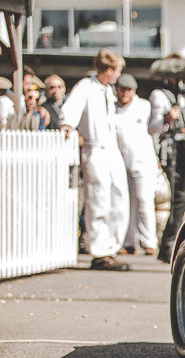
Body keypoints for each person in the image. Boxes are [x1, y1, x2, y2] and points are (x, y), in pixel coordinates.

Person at [60, 49, 131, 271]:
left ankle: (111, 245)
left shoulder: (108, 91)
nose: (118, 75)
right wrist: (68, 125)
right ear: (109, 70)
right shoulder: (86, 86)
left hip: (111, 148)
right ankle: (100, 250)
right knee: (99, 199)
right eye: (117, 70)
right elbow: (71, 109)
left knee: (119, 197)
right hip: (95, 147)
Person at [150, 55, 185, 263]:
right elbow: (152, 127)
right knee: (179, 197)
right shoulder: (159, 95)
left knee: (183, 197)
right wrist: (166, 118)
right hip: (170, 152)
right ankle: (168, 244)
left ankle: (169, 243)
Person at [114, 73, 159, 256]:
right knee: (124, 203)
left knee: (144, 200)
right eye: (122, 89)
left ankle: (149, 241)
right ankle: (129, 242)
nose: (125, 93)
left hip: (143, 161)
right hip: (121, 161)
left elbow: (154, 127)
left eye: (129, 90)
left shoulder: (144, 106)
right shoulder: (111, 108)